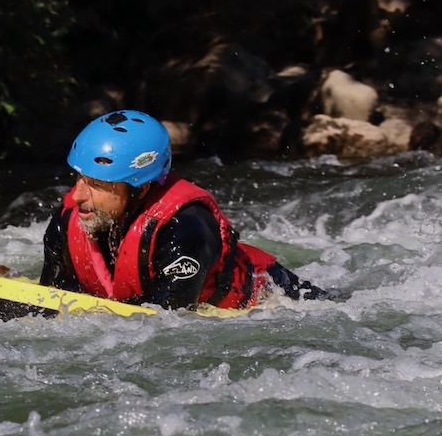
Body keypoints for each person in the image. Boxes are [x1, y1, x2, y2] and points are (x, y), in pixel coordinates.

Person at [39, 110, 333, 310]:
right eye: (78, 177)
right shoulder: (67, 221)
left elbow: (168, 320)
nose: (77, 195)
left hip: (282, 301)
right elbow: (53, 297)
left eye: (96, 183)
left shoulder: (185, 228)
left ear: (139, 189)